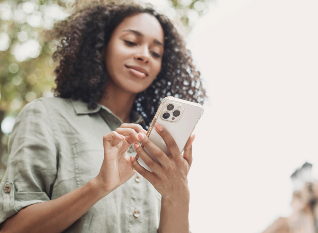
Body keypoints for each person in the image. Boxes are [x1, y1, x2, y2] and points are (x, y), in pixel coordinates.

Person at [0, 2, 206, 233]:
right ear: (100, 46)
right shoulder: (47, 116)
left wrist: (177, 193)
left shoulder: (153, 145)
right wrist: (98, 186)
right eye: (130, 42)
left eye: (156, 52)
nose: (144, 55)